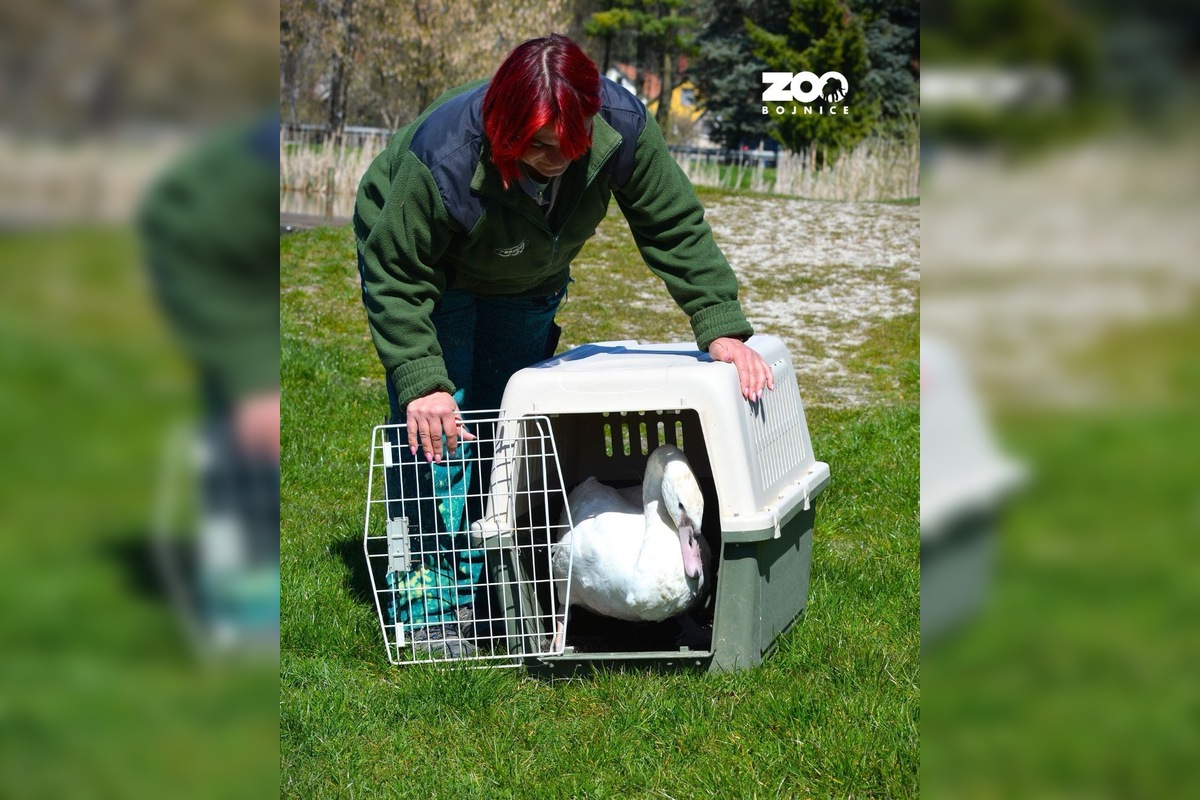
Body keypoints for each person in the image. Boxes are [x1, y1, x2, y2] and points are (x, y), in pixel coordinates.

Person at [353, 34, 773, 657]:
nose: (553, 158)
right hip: (433, 275)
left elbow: (673, 223)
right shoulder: (440, 159)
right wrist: (422, 378)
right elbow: (394, 273)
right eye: (536, 145)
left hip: (527, 277)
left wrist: (722, 326)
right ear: (503, 124)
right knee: (442, 432)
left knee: (505, 429)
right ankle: (430, 610)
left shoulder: (624, 127)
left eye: (566, 145)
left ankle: (492, 587)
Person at [140, 111, 281, 653]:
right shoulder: (213, 199)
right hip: (201, 270)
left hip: (237, 269)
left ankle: (246, 598)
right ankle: (240, 609)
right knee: (238, 436)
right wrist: (248, 385)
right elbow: (203, 279)